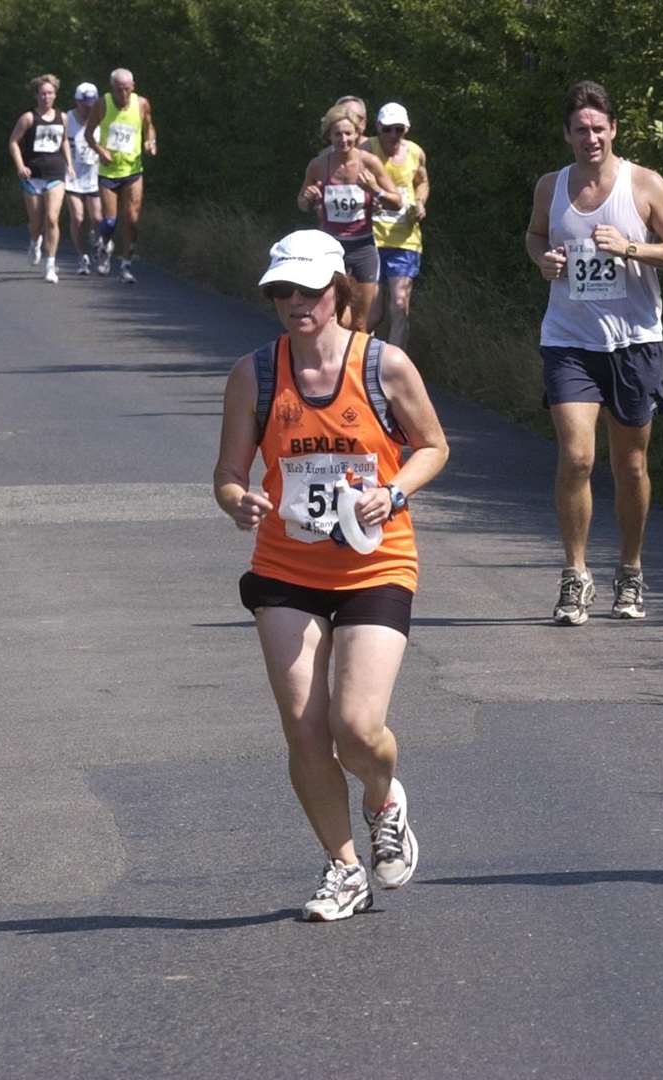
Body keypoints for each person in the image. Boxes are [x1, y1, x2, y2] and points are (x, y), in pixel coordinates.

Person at [212, 229, 449, 922]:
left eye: (308, 290)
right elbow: (228, 473)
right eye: (281, 291)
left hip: (376, 560)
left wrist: (395, 490)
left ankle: (383, 798)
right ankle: (344, 868)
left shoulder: (385, 366)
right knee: (304, 728)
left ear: (338, 290)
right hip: (287, 564)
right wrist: (239, 501)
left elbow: (434, 445)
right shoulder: (255, 374)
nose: (294, 303)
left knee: (356, 725)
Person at [524, 80, 663, 625]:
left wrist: (632, 248)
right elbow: (533, 236)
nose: (591, 138)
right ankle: (575, 575)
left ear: (614, 130)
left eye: (599, 128)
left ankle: (630, 569)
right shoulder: (550, 187)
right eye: (581, 129)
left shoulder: (643, 184)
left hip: (635, 342)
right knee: (577, 457)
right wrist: (542, 261)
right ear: (568, 135)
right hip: (569, 341)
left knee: (630, 464)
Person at [298, 104, 401, 331]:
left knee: (361, 322)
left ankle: (357, 366)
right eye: (337, 134)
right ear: (329, 136)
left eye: (348, 133)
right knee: (337, 319)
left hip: (363, 247)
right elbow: (302, 203)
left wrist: (375, 189)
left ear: (357, 134)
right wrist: (309, 197)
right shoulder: (318, 165)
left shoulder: (369, 162)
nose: (343, 139)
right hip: (332, 248)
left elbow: (397, 201)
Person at [81, 67, 157, 283]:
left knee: (132, 220)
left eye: (126, 89)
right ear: (111, 88)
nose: (122, 94)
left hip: (133, 171)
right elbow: (88, 134)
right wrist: (100, 151)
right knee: (111, 221)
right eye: (118, 90)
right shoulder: (102, 104)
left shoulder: (141, 104)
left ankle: (126, 265)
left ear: (133, 87)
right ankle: (104, 246)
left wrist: (150, 141)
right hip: (108, 172)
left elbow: (150, 127)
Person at [365, 102, 429, 347]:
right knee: (374, 311)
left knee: (400, 306)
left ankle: (391, 368)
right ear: (378, 127)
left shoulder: (415, 152)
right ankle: (361, 362)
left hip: (405, 239)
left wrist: (420, 202)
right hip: (371, 238)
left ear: (407, 129)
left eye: (399, 129)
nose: (393, 135)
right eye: (388, 129)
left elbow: (422, 182)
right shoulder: (366, 150)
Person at [7, 74, 74, 284]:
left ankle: (50, 264)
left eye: (50, 93)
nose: (46, 97)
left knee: (52, 218)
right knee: (36, 221)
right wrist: (20, 166)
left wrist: (69, 164)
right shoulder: (28, 118)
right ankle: (35, 241)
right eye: (43, 93)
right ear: (37, 95)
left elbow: (63, 141)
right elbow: (13, 142)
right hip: (33, 175)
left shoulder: (62, 117)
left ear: (55, 95)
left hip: (55, 173)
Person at [63, 82, 104, 275]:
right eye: (85, 104)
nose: (89, 108)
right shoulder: (67, 119)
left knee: (97, 218)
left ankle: (97, 239)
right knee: (78, 218)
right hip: (72, 176)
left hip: (94, 175)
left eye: (92, 104)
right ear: (77, 102)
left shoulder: (102, 119)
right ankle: (82, 256)